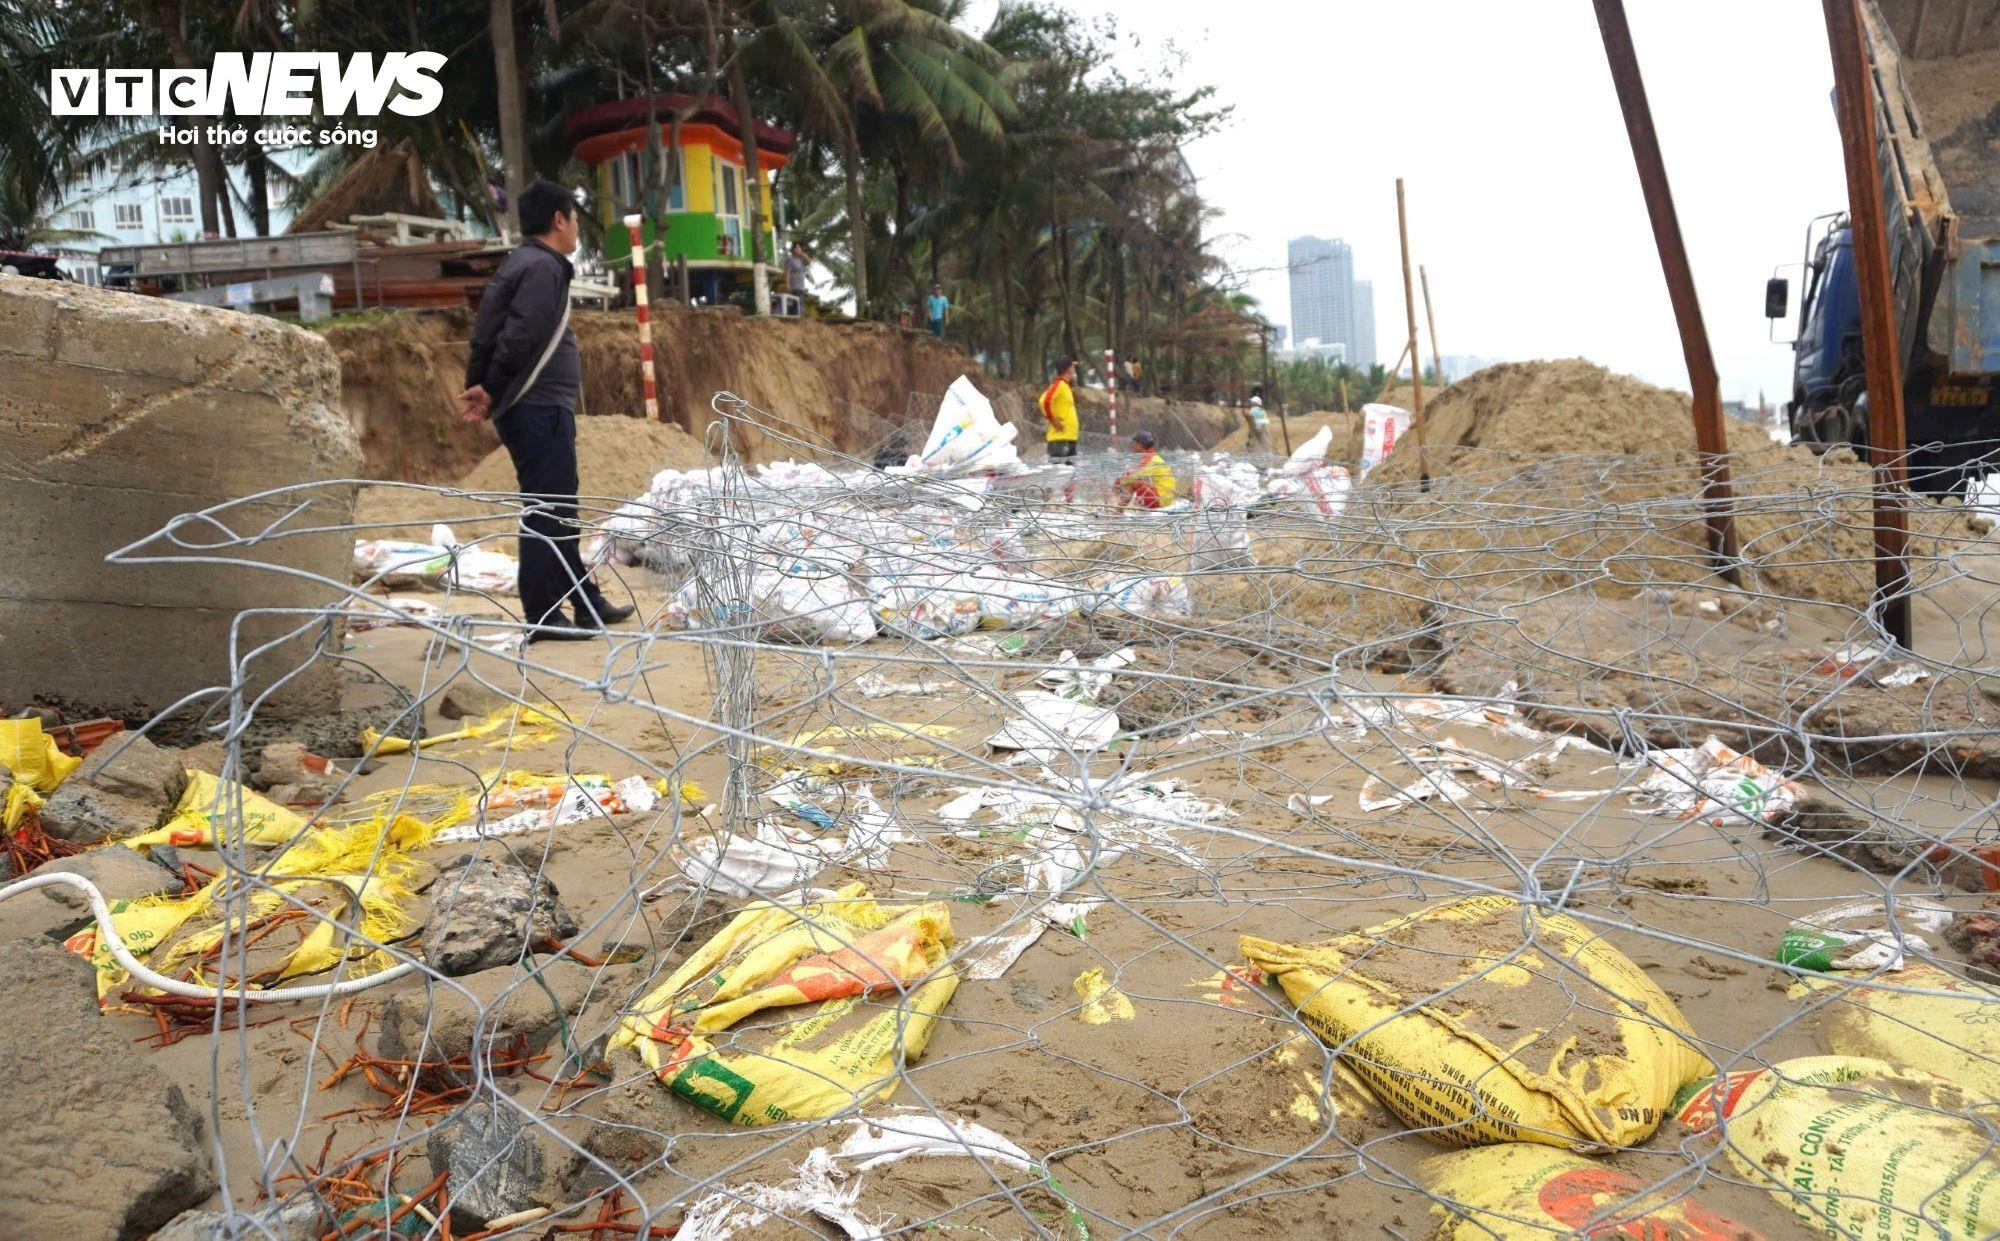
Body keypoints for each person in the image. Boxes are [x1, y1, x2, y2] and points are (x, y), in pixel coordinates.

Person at [460, 180, 636, 643]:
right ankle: (543, 615)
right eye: (575, 218)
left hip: (536, 407)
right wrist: (489, 388)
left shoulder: (527, 264)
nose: (577, 227)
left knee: (559, 507)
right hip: (536, 408)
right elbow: (519, 334)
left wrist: (481, 384)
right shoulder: (541, 267)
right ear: (559, 219)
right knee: (548, 509)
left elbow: (487, 333)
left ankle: (584, 602)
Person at [1116, 430, 1178, 509]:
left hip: (1161, 500)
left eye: (1134, 443)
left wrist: (1119, 481)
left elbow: (1135, 476)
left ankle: (1118, 512)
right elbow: (1135, 473)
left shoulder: (1152, 460)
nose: (1132, 446)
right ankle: (1119, 511)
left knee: (1133, 483)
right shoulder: (1153, 457)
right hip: (1165, 498)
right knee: (1132, 481)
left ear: (1140, 445)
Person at [1039, 356, 1079, 465]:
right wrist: (1052, 420)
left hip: (1068, 438)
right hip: (1060, 439)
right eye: (1073, 366)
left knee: (1069, 476)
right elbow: (1044, 401)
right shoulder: (1059, 384)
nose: (1074, 369)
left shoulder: (1065, 386)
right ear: (1068, 369)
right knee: (1061, 476)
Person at [785, 242, 810, 315]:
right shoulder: (790, 259)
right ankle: (795, 320)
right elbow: (787, 272)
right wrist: (787, 284)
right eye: (796, 248)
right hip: (793, 285)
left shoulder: (801, 259)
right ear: (793, 249)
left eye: (799, 247)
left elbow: (809, 262)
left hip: (801, 285)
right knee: (794, 305)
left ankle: (800, 320)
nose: (798, 249)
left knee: (800, 304)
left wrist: (804, 255)